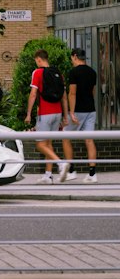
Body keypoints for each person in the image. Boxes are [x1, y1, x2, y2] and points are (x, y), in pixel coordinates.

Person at [24, 49, 65, 180]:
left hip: (45, 113)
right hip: (57, 112)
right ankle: (48, 175)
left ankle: (61, 163)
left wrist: (28, 114)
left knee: (40, 145)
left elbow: (33, 94)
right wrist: (65, 116)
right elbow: (63, 97)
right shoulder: (58, 73)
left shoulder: (37, 73)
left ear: (39, 59)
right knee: (48, 144)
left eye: (36, 60)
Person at [61, 48, 98, 182]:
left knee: (65, 136)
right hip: (91, 109)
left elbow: (72, 93)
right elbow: (92, 91)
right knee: (89, 140)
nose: (71, 60)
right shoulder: (92, 72)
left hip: (77, 111)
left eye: (72, 58)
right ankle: (92, 174)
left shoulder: (73, 72)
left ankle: (72, 171)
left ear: (75, 57)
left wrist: (71, 111)